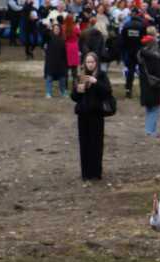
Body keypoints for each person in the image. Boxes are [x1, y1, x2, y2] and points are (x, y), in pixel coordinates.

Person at [70, 52, 112, 181]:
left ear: (96, 63)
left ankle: (96, 172)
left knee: (96, 144)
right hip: (83, 115)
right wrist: (77, 91)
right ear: (85, 63)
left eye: (92, 62)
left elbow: (108, 91)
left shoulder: (101, 75)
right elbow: (74, 97)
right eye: (88, 62)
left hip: (96, 115)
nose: (90, 64)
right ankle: (86, 173)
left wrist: (96, 82)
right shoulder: (80, 77)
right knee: (84, 144)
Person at [138, 35, 160, 137]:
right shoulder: (156, 58)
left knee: (148, 108)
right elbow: (158, 73)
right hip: (154, 85)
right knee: (155, 108)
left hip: (144, 83)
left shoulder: (141, 55)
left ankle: (147, 129)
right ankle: (151, 130)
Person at [43, 22, 69, 98]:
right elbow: (44, 35)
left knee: (62, 78)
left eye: (58, 29)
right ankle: (48, 92)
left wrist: (66, 62)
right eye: (56, 29)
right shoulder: (50, 37)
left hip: (61, 61)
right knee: (49, 77)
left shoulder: (63, 39)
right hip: (51, 61)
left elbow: (65, 51)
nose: (57, 30)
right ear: (53, 30)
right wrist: (47, 28)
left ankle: (63, 92)